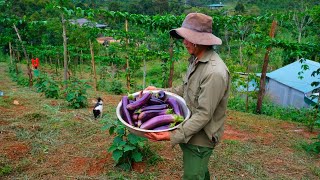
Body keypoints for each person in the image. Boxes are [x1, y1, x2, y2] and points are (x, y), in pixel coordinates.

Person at [144, 12, 230, 180]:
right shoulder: (196, 60)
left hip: (201, 138)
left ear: (199, 41)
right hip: (190, 128)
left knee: (192, 175)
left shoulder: (214, 72)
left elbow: (204, 114)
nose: (184, 42)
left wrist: (172, 135)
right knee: (199, 172)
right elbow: (183, 89)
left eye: (187, 38)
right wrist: (158, 91)